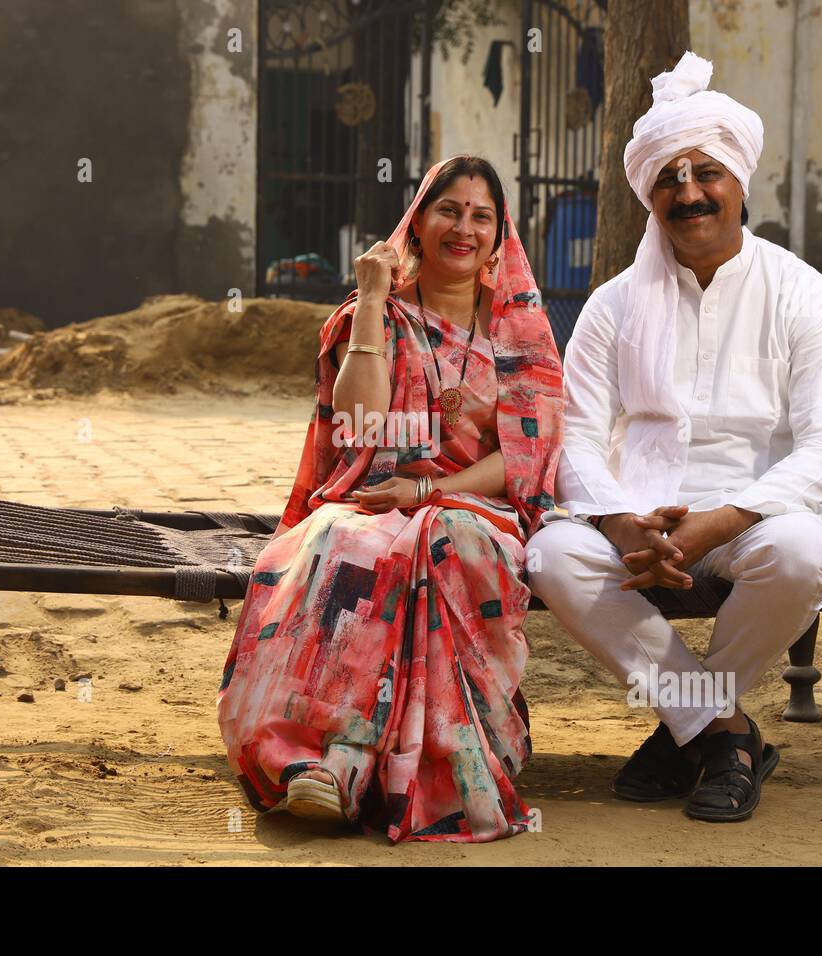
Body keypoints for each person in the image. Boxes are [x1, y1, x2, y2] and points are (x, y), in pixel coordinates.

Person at [527, 52, 822, 822]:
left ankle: (687, 729)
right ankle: (726, 731)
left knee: (803, 553)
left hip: (755, 516)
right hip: (636, 517)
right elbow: (574, 433)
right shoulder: (612, 305)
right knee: (552, 555)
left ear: (740, 180)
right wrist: (615, 519)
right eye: (669, 178)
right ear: (650, 193)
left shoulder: (804, 295)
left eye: (705, 172)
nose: (688, 192)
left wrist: (726, 518)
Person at [217, 154, 564, 843]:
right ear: (418, 221)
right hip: (372, 501)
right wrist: (373, 299)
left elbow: (525, 454)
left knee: (439, 541)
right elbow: (361, 424)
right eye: (448, 210)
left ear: (500, 237)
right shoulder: (376, 315)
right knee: (339, 541)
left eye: (481, 217)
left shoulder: (517, 333)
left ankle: (434, 757)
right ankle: (328, 759)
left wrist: (430, 489)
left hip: (474, 510)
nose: (463, 228)